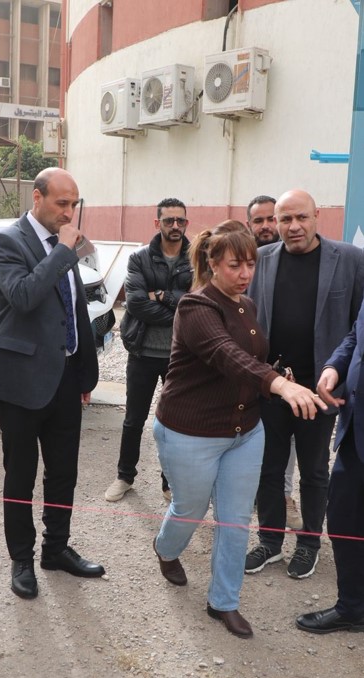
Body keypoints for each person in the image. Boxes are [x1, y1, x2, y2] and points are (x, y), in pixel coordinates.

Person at [151, 220, 325, 639]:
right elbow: (225, 353)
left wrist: (276, 371)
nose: (245, 273)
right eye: (235, 265)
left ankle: (224, 602)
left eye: (250, 264)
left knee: (234, 520)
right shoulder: (195, 307)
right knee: (190, 510)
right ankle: (166, 549)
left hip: (245, 431)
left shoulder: (246, 306)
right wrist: (279, 384)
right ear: (212, 264)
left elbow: (251, 359)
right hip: (190, 432)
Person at [0, 167, 104, 600]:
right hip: (20, 380)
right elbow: (25, 296)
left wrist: (84, 370)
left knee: (63, 472)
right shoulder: (8, 242)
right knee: (20, 475)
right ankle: (22, 559)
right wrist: (64, 250)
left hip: (65, 377)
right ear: (37, 198)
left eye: (74, 204)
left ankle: (56, 549)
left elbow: (74, 309)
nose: (69, 212)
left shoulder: (62, 244)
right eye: (61, 203)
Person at [245, 189, 364, 580]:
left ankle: (309, 543)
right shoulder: (261, 259)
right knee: (269, 468)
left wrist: (342, 376)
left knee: (314, 471)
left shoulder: (350, 259)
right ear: (276, 223)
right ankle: (269, 541)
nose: (293, 226)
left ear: (317, 217)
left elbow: (357, 329)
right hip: (272, 386)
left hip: (320, 390)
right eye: (285, 219)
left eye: (301, 217)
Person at [105, 198, 193, 504]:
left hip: (180, 356)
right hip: (142, 352)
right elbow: (137, 304)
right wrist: (178, 305)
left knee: (175, 423)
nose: (175, 226)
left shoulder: (196, 257)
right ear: (157, 223)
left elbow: (197, 302)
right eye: (169, 220)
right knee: (134, 419)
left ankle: (170, 483)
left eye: (181, 220)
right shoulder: (139, 258)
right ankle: (124, 476)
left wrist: (163, 295)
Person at [296, 303, 364, 633]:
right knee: (343, 518)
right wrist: (334, 368)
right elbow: (356, 335)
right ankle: (352, 608)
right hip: (356, 430)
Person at [246, 194, 301, 530]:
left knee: (287, 440)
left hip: (288, 373)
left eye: (271, 219)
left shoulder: (295, 260)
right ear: (249, 224)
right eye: (259, 221)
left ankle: (284, 496)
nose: (266, 226)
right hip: (249, 367)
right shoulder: (244, 261)